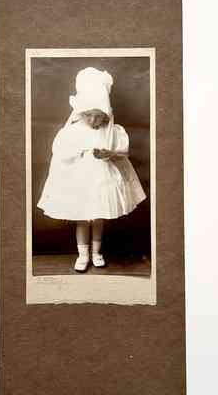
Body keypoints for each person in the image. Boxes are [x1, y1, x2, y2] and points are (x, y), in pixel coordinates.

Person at [37, 67, 146, 272]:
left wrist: (109, 153)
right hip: (80, 180)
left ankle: (96, 253)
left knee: (98, 217)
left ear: (106, 115)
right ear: (81, 112)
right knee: (82, 218)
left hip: (102, 180)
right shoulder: (73, 130)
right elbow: (60, 152)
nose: (94, 121)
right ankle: (83, 255)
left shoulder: (111, 130)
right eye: (90, 116)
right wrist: (79, 151)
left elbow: (122, 152)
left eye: (99, 116)